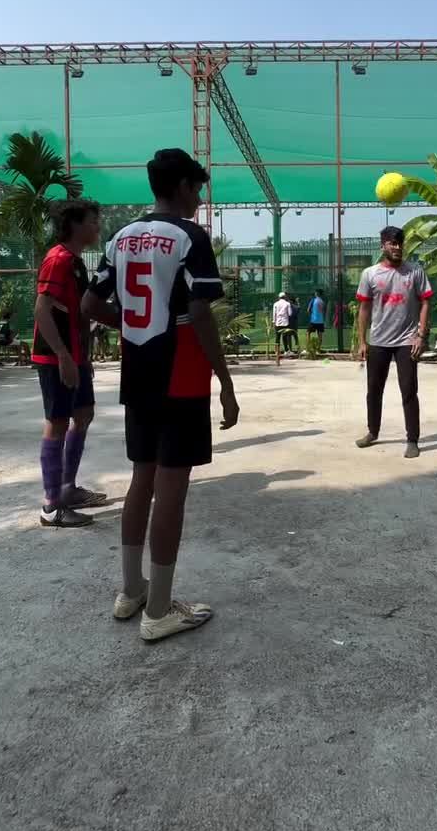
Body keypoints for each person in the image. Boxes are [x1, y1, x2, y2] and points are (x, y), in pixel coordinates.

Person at [82, 148, 239, 643]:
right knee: (172, 489)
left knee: (142, 480)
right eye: (199, 189)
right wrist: (225, 381)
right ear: (184, 187)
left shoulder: (121, 237)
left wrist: (133, 322)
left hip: (139, 370)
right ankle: (159, 610)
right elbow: (202, 312)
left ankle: (131, 591)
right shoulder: (190, 236)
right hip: (182, 371)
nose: (200, 199)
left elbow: (90, 305)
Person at [32, 199, 106, 529]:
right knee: (58, 422)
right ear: (75, 224)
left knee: (84, 414)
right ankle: (51, 506)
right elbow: (41, 309)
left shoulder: (75, 262)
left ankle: (67, 488)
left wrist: (83, 358)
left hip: (75, 357)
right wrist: (63, 356)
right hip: (55, 357)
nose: (97, 226)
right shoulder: (58, 259)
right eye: (92, 221)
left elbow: (79, 313)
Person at [355, 226, 432, 459]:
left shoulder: (415, 271)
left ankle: (412, 440)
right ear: (383, 246)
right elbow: (364, 308)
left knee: (408, 390)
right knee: (373, 390)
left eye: (400, 243)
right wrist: (362, 341)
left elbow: (425, 302)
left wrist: (420, 335)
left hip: (407, 341)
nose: (397, 247)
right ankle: (373, 432)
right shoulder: (370, 274)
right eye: (392, 243)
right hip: (379, 340)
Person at [272, 291, 293, 364]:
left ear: (279, 297)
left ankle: (276, 351)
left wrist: (274, 322)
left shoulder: (275, 304)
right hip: (285, 322)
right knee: (285, 337)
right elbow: (290, 314)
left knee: (277, 337)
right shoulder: (287, 304)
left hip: (278, 322)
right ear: (285, 297)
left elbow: (274, 314)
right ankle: (286, 350)